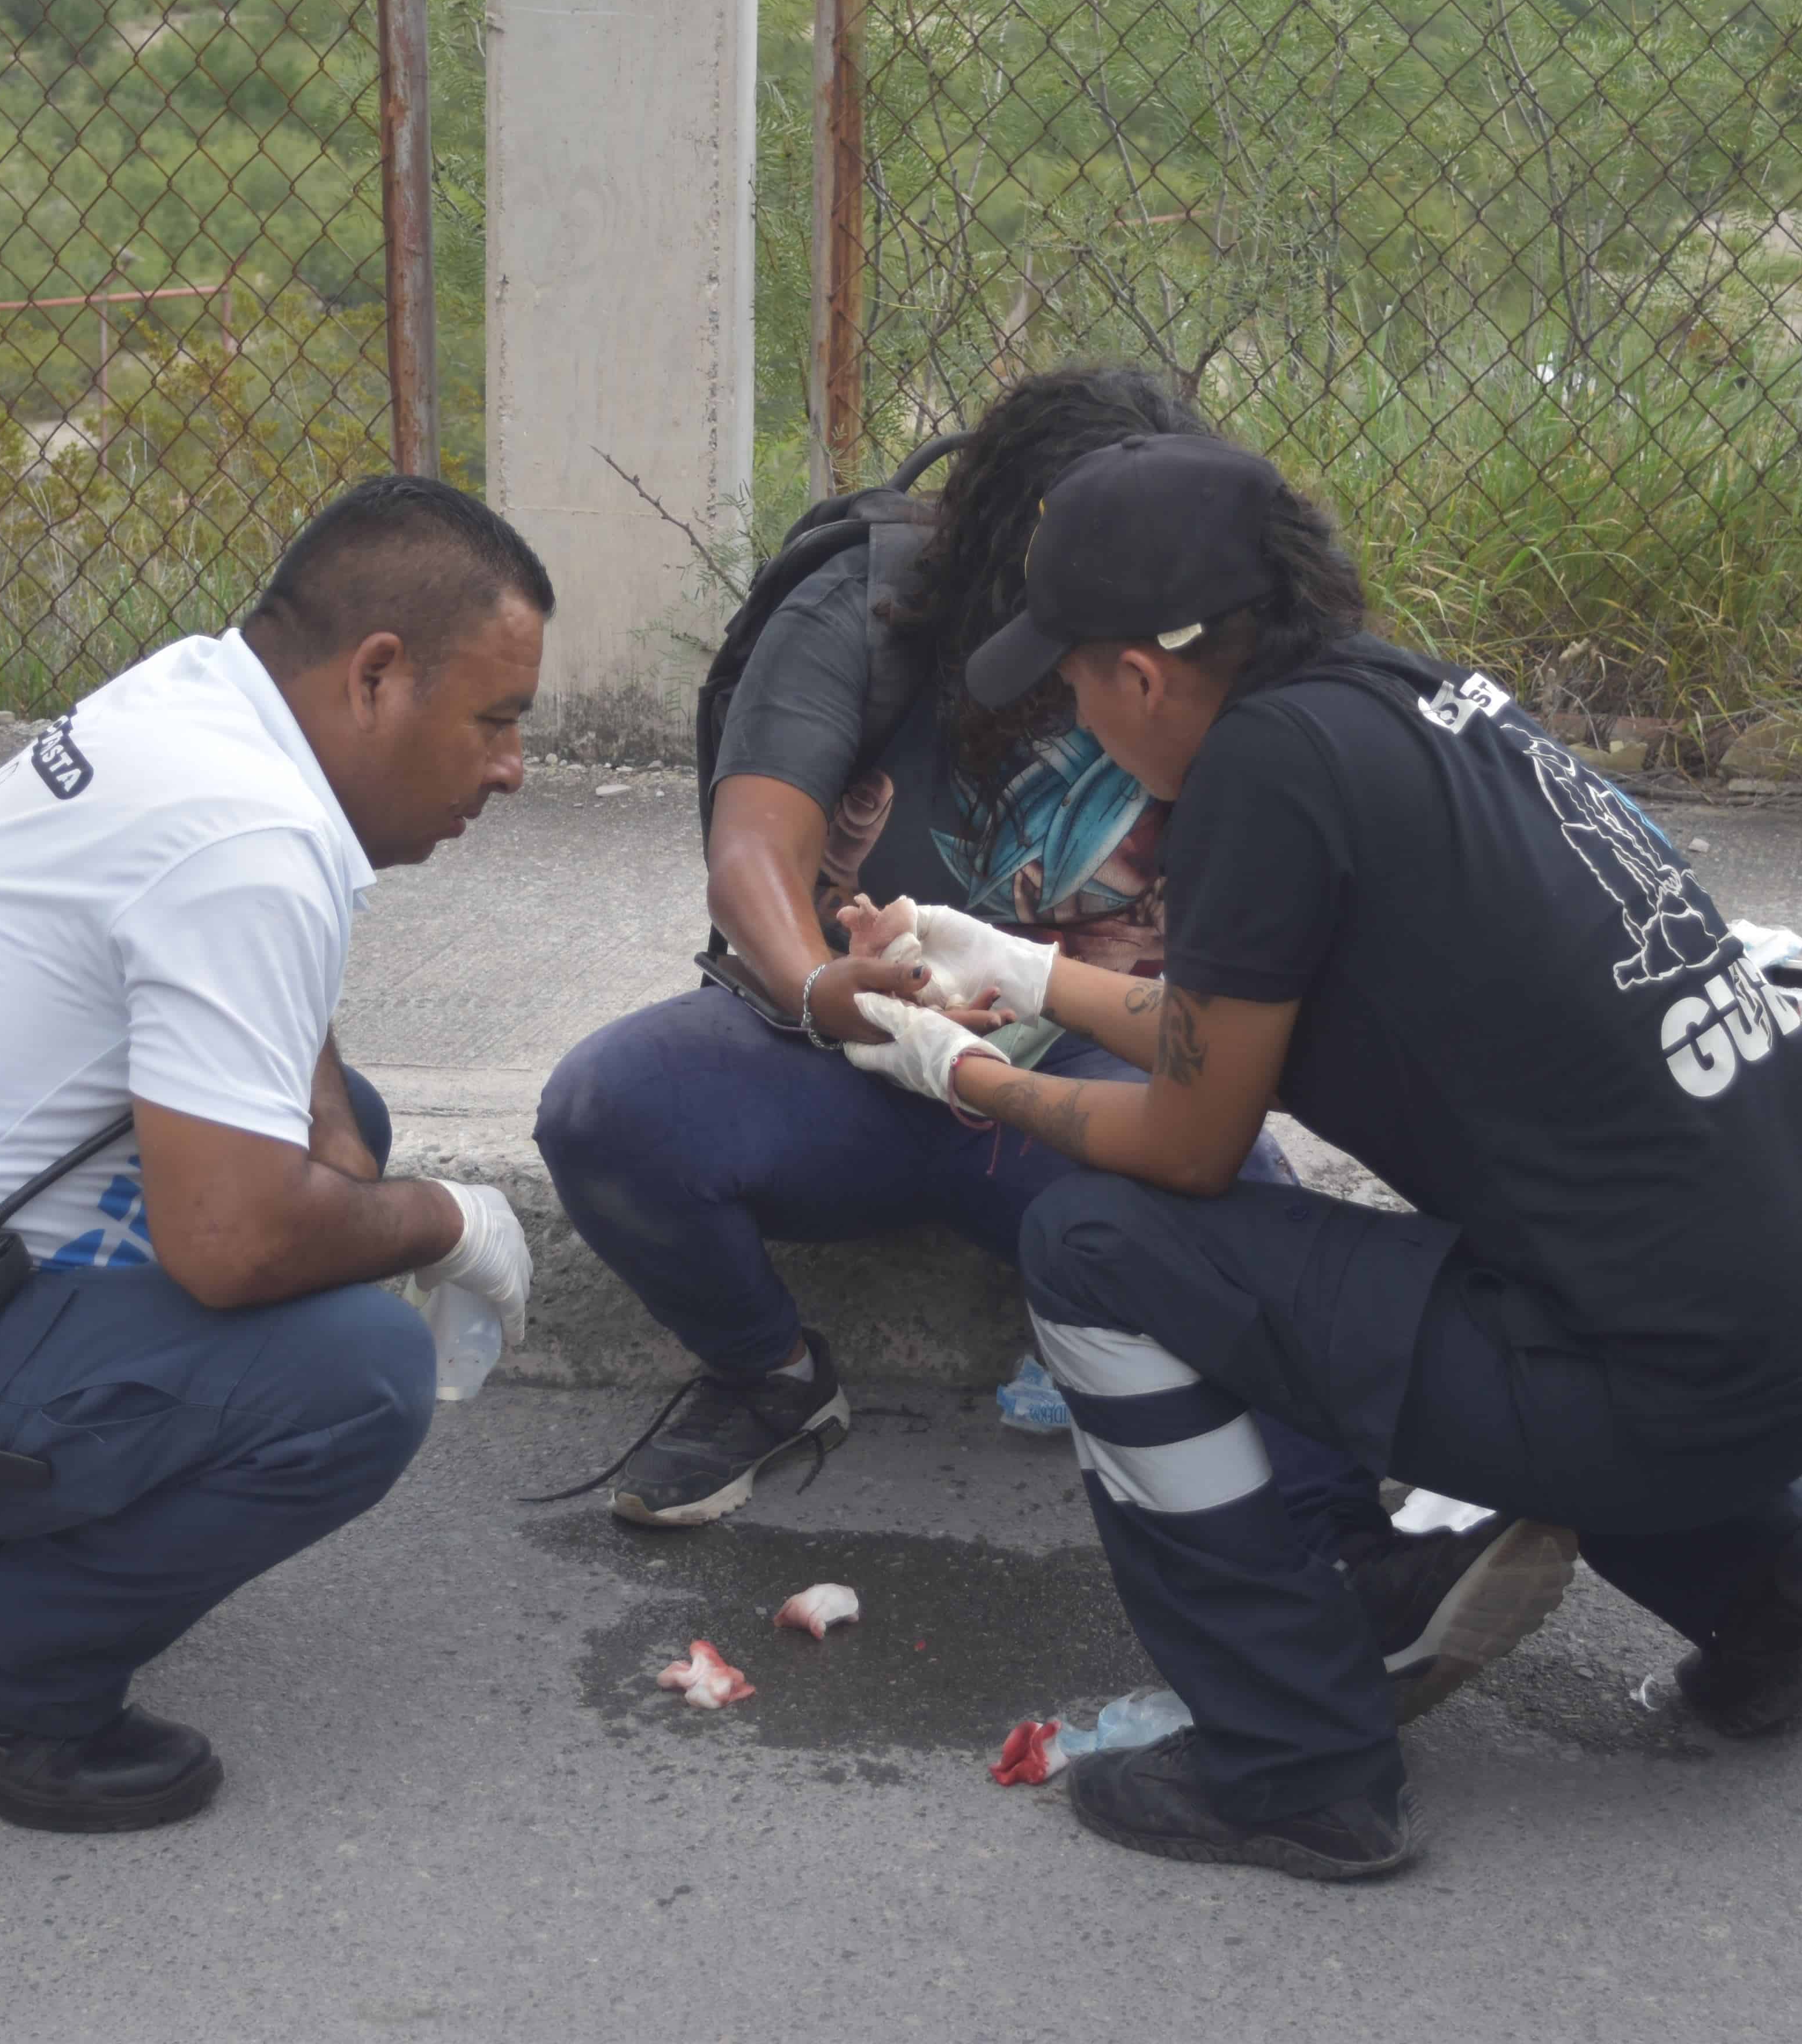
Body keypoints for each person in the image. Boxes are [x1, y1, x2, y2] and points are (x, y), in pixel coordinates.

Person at [841, 432, 1802, 1881]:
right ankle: (1771, 1583)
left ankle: (1296, 1760)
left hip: (1681, 1380)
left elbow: (1191, 1136)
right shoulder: (1395, 697)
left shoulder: (1257, 784)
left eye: (1075, 681)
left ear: (1142, 675)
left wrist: (955, 1069)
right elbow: (1226, 1025)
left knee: (1094, 1250)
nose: (1080, 716)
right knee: (1588, 1252)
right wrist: (1018, 971)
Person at [533, 365, 1573, 1711]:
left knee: (1246, 1208)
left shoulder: (1221, 657)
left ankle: (1349, 1551)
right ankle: (769, 1374)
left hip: (1078, 1054)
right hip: (829, 1061)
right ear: (994, 557)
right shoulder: (874, 596)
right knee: (607, 1107)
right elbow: (754, 850)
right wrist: (826, 994)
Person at [0, 477, 547, 1833]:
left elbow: (284, 1049)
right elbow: (236, 1240)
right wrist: (440, 1220)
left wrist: (353, 1175)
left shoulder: (201, 701)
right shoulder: (247, 832)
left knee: (331, 1130)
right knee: (354, 1375)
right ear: (377, 675)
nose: (511, 768)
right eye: (494, 719)